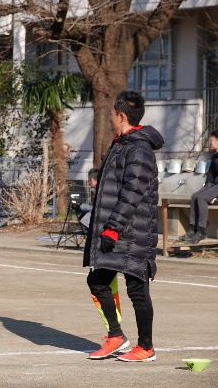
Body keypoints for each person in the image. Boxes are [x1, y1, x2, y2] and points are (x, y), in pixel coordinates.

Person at [83, 91, 163, 362]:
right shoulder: (122, 144)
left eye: (111, 114)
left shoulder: (139, 149)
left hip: (132, 232)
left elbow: (132, 194)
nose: (109, 119)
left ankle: (146, 347)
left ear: (121, 116)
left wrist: (112, 228)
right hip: (117, 231)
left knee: (137, 290)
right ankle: (116, 336)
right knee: (97, 280)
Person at [178, 130, 218, 243]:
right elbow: (211, 175)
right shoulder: (215, 157)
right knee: (195, 196)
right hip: (214, 185)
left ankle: (201, 231)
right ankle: (192, 229)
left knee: (202, 198)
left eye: (212, 140)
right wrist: (207, 187)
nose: (210, 142)